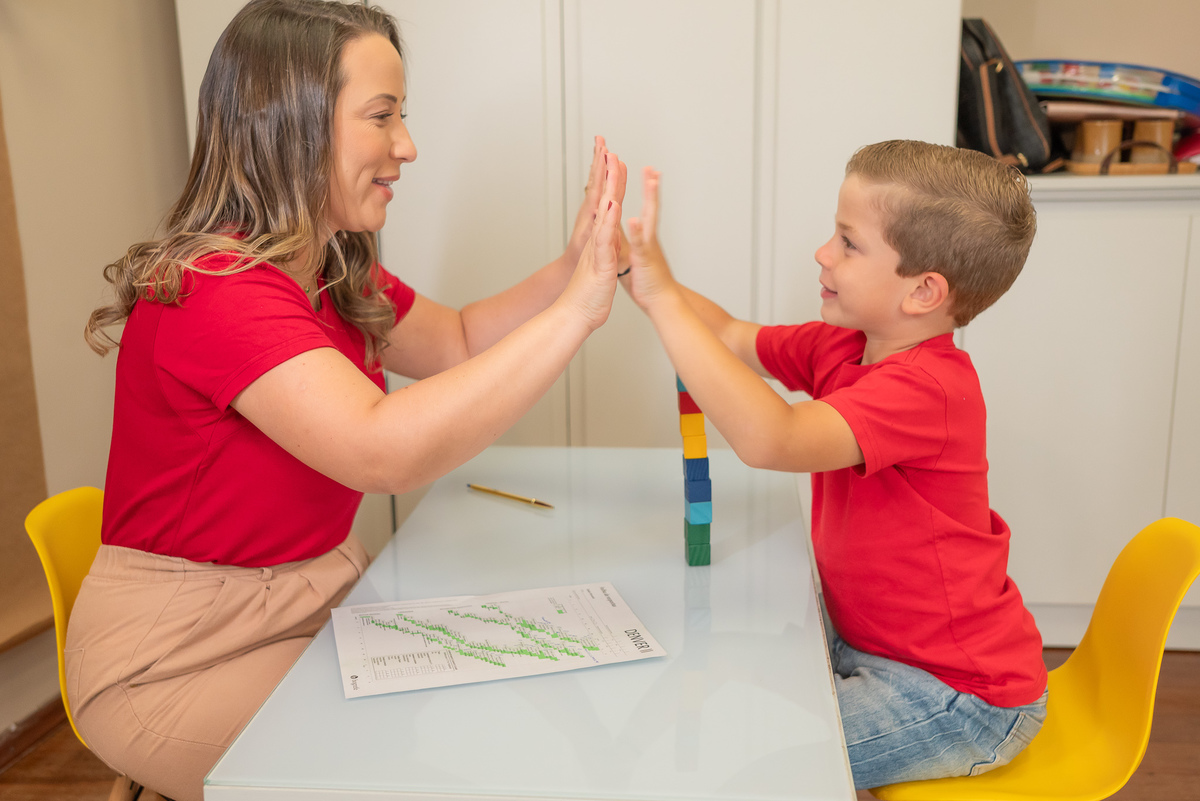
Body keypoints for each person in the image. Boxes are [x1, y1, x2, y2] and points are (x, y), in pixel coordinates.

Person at [68, 1, 626, 799]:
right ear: (288, 124)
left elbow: (460, 340)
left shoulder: (326, 268)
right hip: (176, 658)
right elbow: (383, 447)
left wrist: (574, 267)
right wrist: (578, 313)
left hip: (306, 607)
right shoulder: (215, 288)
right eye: (381, 117)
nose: (407, 146)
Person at [621, 140, 1048, 791]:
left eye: (848, 242)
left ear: (924, 291)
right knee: (716, 682)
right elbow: (731, 336)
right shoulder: (845, 345)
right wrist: (640, 272)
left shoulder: (930, 388)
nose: (823, 253)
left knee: (767, 771)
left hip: (962, 697)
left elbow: (775, 439)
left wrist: (663, 302)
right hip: (866, 643)